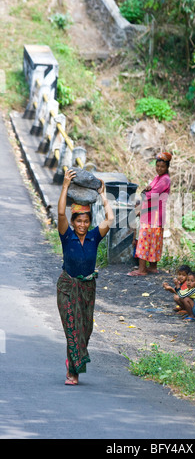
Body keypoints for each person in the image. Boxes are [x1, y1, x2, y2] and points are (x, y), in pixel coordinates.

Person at [57, 168, 114, 385]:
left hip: (88, 288)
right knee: (72, 328)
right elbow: (61, 213)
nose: (82, 225)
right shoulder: (67, 236)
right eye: (78, 221)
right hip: (67, 287)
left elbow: (110, 218)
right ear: (73, 222)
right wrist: (64, 185)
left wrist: (102, 195)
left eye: (85, 221)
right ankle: (73, 373)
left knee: (86, 330)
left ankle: (71, 361)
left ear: (89, 222)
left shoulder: (94, 237)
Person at [127, 152, 172, 276]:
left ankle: (142, 270)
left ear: (167, 167)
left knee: (144, 240)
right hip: (154, 213)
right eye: (157, 166)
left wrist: (145, 191)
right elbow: (149, 190)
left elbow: (150, 194)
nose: (159, 168)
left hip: (153, 214)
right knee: (154, 240)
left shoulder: (165, 180)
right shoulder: (158, 178)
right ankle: (153, 267)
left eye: (162, 166)